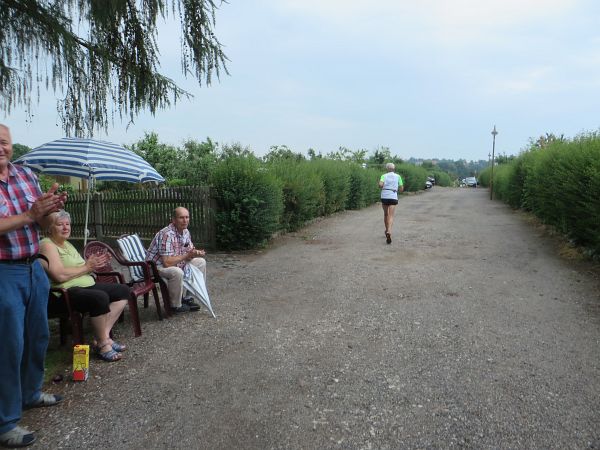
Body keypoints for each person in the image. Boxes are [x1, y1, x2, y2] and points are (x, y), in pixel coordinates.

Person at [0, 124, 67, 448]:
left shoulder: (26, 175)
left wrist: (48, 212)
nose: (2, 148)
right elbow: (21, 218)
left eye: (5, 142)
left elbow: (38, 221)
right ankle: (6, 421)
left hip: (33, 267)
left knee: (38, 335)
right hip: (4, 272)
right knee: (8, 346)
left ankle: (30, 392)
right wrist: (30, 213)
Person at [39, 210, 130, 362]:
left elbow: (83, 267)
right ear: (49, 228)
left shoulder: (67, 244)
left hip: (85, 285)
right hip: (63, 293)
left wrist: (95, 263)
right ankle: (103, 345)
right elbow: (59, 275)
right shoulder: (47, 245)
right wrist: (87, 267)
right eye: (60, 224)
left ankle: (103, 338)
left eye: (67, 224)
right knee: (99, 297)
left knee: (123, 290)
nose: (65, 228)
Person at [146, 206, 207, 313]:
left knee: (201, 262)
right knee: (176, 272)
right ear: (173, 220)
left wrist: (196, 253)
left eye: (187, 217)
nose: (185, 220)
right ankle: (175, 306)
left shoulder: (186, 232)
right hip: (156, 266)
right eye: (181, 217)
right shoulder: (166, 234)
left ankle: (188, 298)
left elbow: (188, 251)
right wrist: (187, 255)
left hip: (175, 262)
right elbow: (167, 262)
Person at [378, 162, 404, 244]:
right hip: (393, 196)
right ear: (394, 169)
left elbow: (380, 185)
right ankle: (389, 231)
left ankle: (386, 230)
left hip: (385, 196)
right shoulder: (398, 176)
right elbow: (401, 188)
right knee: (391, 215)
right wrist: (396, 190)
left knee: (386, 214)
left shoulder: (383, 176)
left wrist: (382, 185)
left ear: (387, 169)